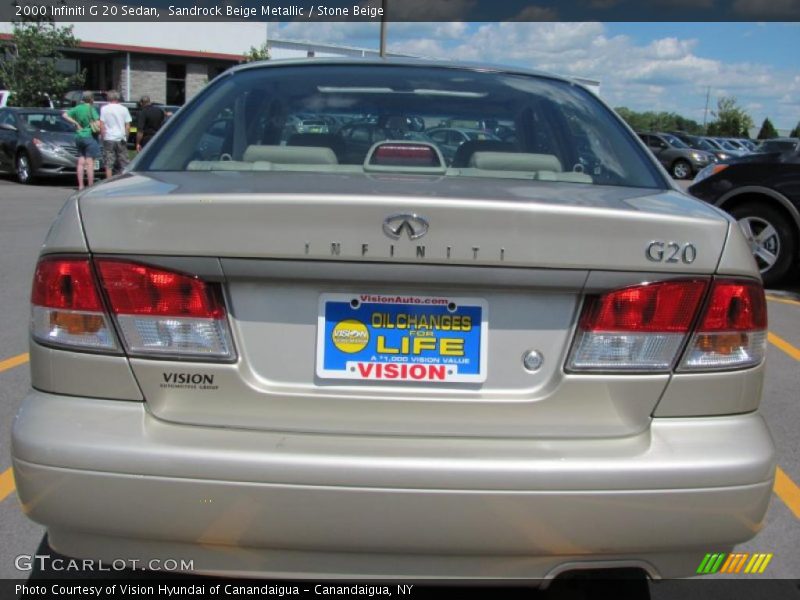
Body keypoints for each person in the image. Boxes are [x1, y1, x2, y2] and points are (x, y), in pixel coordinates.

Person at [62, 91, 102, 190]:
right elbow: (97, 123)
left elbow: (64, 115)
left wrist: (75, 122)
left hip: (79, 136)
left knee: (81, 161)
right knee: (90, 162)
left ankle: (80, 185)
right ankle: (90, 185)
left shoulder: (78, 108)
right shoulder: (91, 109)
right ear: (91, 99)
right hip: (90, 136)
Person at [99, 90, 132, 179]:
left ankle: (108, 181)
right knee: (123, 162)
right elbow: (128, 125)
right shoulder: (124, 109)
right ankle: (123, 181)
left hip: (109, 137)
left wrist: (102, 137)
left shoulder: (104, 109)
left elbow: (102, 125)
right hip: (121, 137)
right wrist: (126, 137)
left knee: (109, 163)